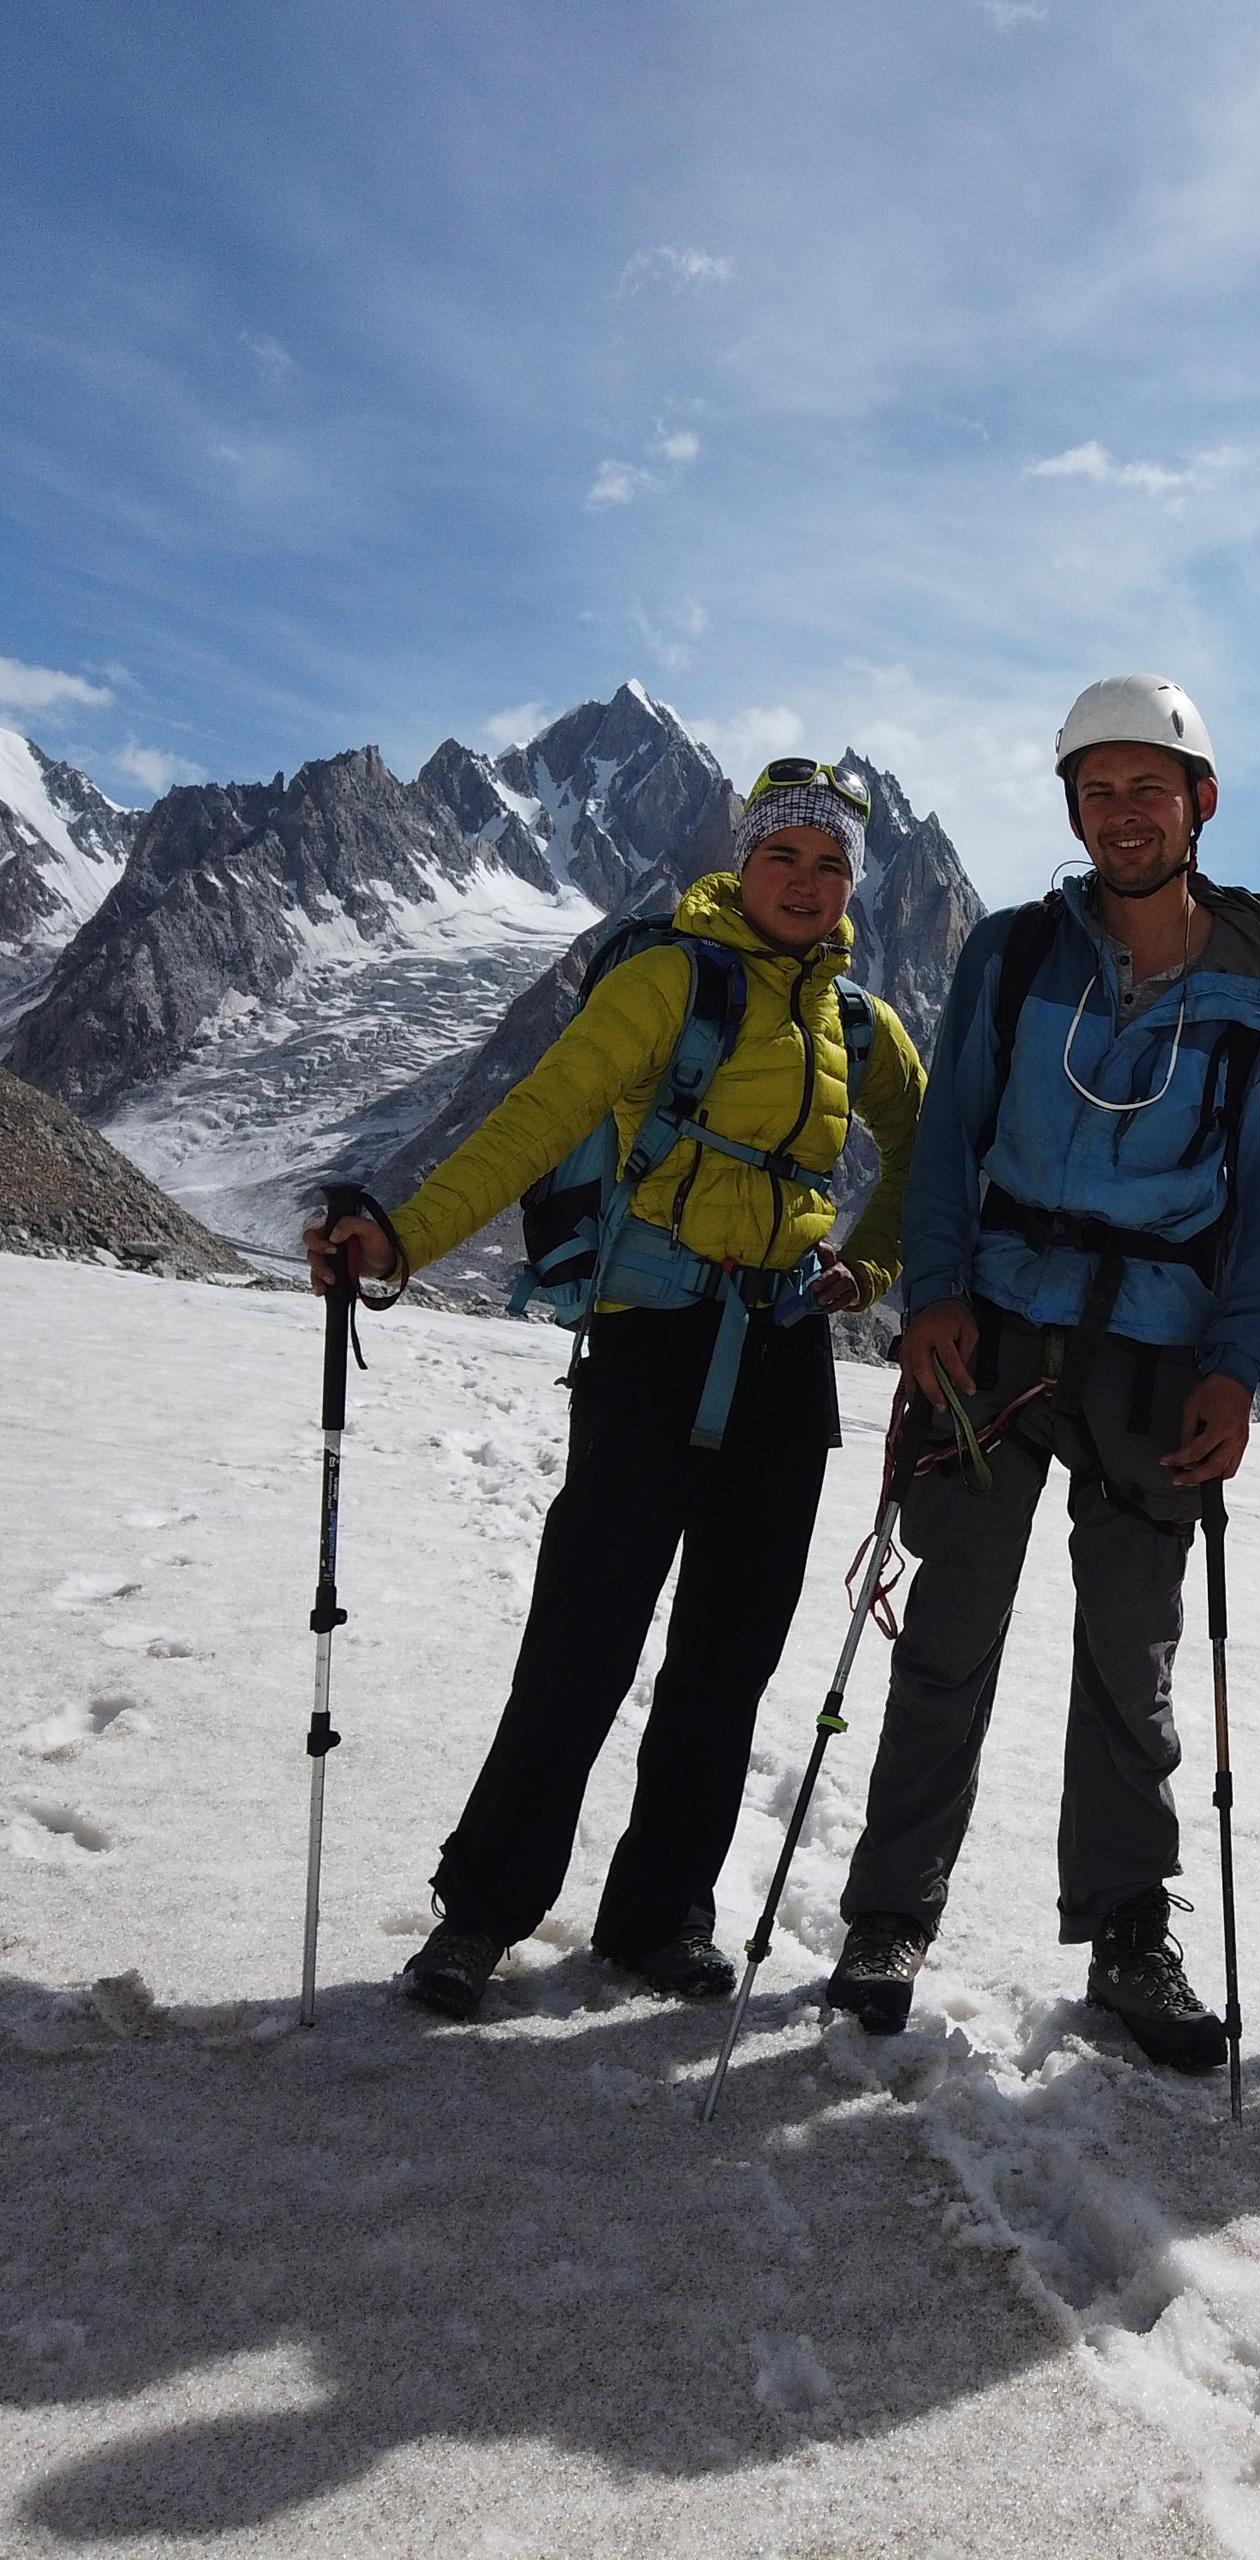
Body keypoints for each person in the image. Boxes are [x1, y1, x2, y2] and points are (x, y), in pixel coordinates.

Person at [302, 760, 926, 2020]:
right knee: (582, 1639)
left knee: (728, 1655)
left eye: (829, 865)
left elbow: (928, 1138)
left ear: (851, 886)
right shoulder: (666, 979)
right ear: (741, 864)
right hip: (654, 1346)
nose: (804, 883)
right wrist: (407, 1237)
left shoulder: (860, 1023)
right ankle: (481, 1910)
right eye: (783, 856)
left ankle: (659, 1916)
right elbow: (538, 1116)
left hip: (787, 1354)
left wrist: (872, 1261)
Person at [828, 674, 1260, 2072]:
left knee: (1131, 1662)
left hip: (1159, 1356)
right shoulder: (1017, 953)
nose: (1124, 813)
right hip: (996, 1336)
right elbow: (952, 1139)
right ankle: (889, 1917)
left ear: (1200, 803)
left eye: (1149, 787)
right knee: (949, 1640)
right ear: (1073, 809)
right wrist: (934, 1298)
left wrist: (1235, 1369)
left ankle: (1126, 1932)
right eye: (1097, 791)